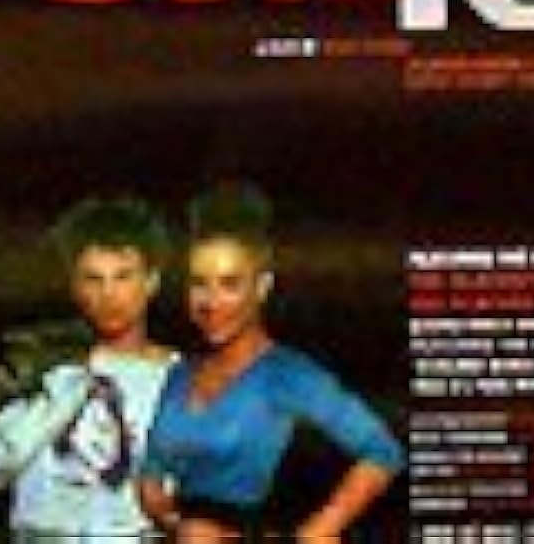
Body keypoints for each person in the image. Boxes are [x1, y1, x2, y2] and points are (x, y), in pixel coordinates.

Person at [137, 184, 403, 541]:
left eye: (230, 284)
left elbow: (383, 452)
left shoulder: (287, 374)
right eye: (199, 284)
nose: (211, 302)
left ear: (261, 287)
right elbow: (152, 474)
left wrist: (322, 527)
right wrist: (175, 520)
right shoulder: (180, 374)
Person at [0, 194, 174, 538]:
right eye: (93, 279)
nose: (109, 294)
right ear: (75, 285)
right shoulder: (39, 364)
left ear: (151, 281)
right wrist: (50, 397)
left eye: (123, 277)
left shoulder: (180, 379)